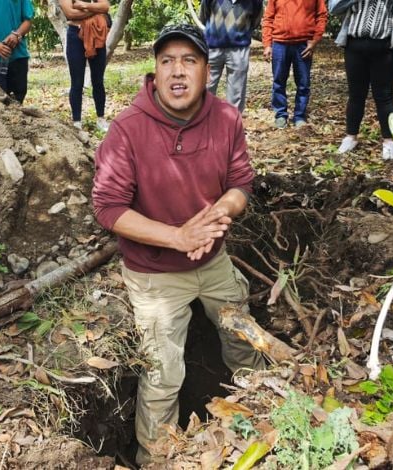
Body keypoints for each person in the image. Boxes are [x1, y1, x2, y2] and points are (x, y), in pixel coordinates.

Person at [91, 24, 266, 465]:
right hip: (153, 273)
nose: (177, 71)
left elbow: (242, 182)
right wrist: (176, 236)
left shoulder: (226, 119)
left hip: (214, 260)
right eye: (167, 60)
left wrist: (216, 214)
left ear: (207, 70)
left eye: (189, 60)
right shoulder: (128, 129)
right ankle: (156, 458)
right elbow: (108, 208)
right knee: (163, 374)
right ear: (154, 70)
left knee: (244, 342)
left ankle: (269, 419)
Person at [329, 0, 393, 160]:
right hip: (354, 44)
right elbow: (333, 8)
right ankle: (351, 136)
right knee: (356, 94)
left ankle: (389, 141)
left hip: (385, 46)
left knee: (384, 95)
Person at [261, 0, 328, 128]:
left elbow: (321, 16)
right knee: (278, 81)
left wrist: (315, 40)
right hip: (280, 43)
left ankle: (300, 116)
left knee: (303, 83)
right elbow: (268, 18)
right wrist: (267, 44)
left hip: (303, 44)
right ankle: (280, 115)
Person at [199, 0, 262, 113]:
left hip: (239, 49)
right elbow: (204, 16)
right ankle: (200, 122)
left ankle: (232, 125)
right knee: (205, 87)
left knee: (236, 92)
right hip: (213, 48)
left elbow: (255, 21)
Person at [58, 0, 111, 131]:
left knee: (98, 80)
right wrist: (96, 9)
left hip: (96, 32)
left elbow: (105, 6)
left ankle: (101, 119)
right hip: (75, 34)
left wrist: (84, 6)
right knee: (77, 82)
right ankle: (77, 122)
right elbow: (70, 13)